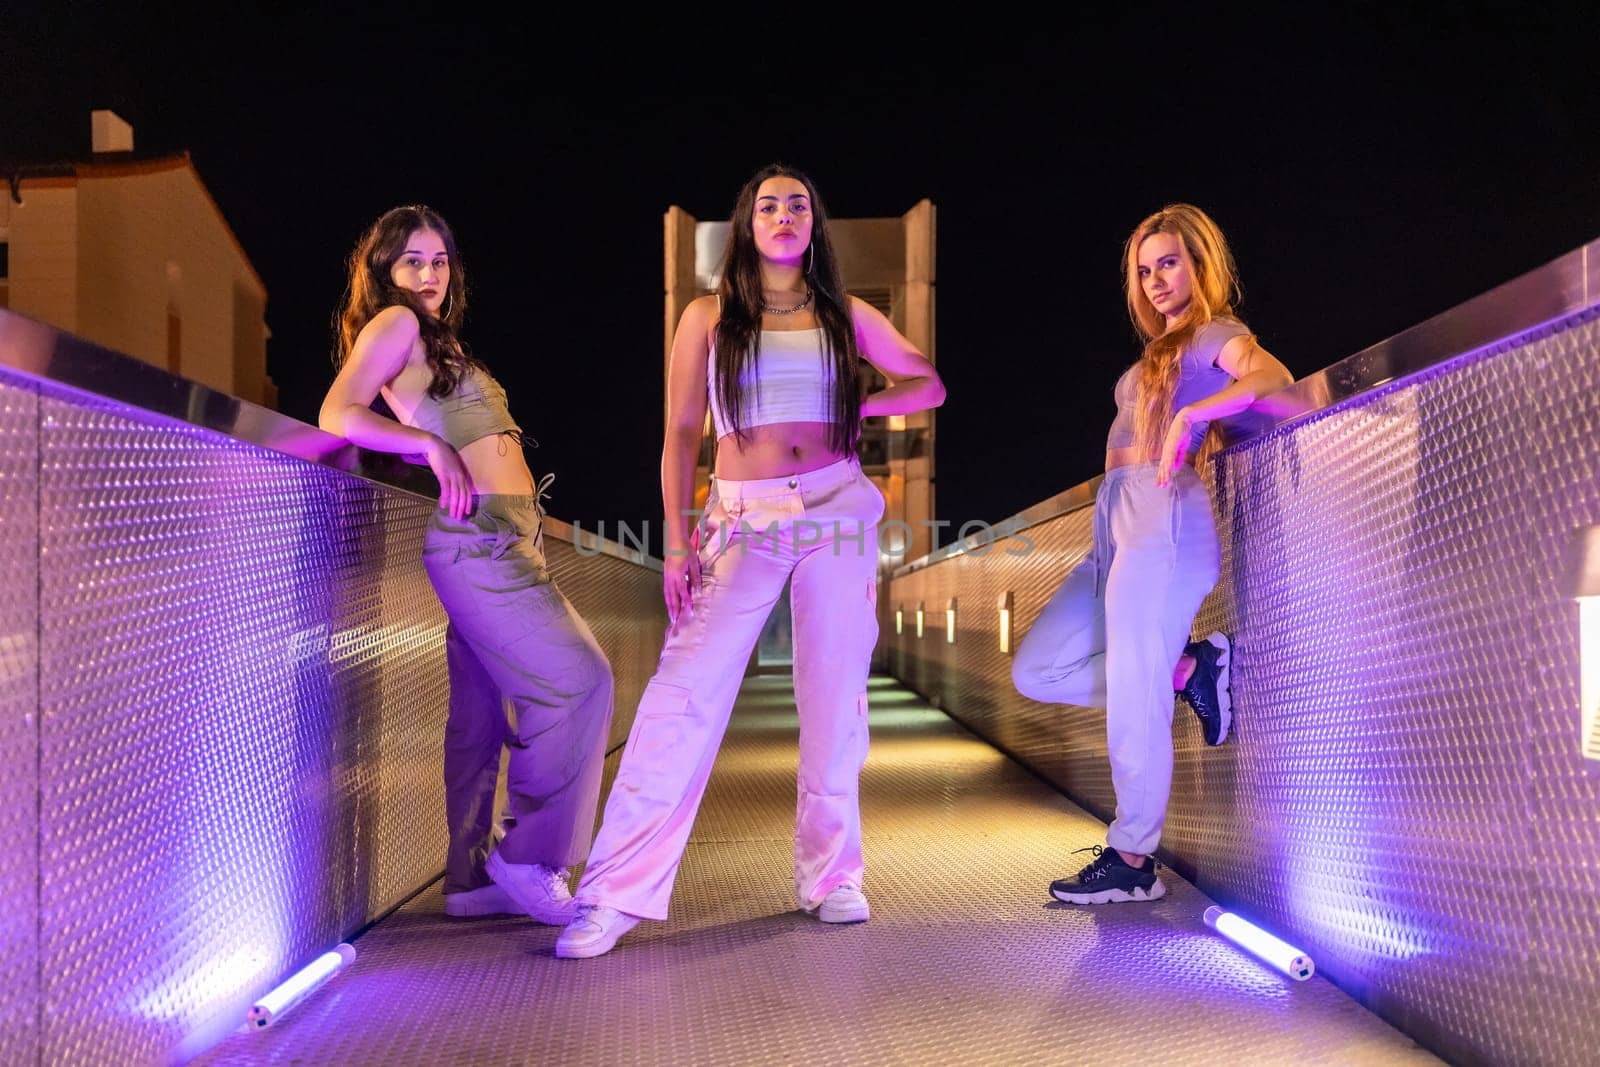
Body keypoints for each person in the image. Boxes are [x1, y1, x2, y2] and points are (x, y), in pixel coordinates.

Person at [555, 164, 945, 958]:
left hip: (837, 505)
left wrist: (858, 404)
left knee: (835, 693)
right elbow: (680, 435)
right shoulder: (708, 316)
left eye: (798, 204)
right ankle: (613, 892)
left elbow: (927, 384)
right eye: (768, 205)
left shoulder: (844, 314)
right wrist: (673, 536)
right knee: (681, 693)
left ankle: (832, 875)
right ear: (747, 225)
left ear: (813, 225)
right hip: (742, 517)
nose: (784, 214)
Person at [319, 204, 614, 924]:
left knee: (480, 715)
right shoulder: (396, 324)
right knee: (582, 682)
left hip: (508, 538)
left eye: (440, 259)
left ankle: (469, 875)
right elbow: (337, 412)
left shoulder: (441, 342)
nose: (429, 273)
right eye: (412, 260)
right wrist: (426, 446)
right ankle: (530, 855)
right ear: (385, 270)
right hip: (476, 541)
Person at [1010, 203, 1293, 904]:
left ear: (1199, 263)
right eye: (1144, 269)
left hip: (1162, 519)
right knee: (1038, 668)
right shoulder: (1158, 350)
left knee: (1133, 702)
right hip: (1117, 527)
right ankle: (1192, 666)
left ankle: (1133, 859)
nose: (1155, 278)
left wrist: (1197, 415)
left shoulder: (1211, 334)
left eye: (1168, 262)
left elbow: (1273, 377)